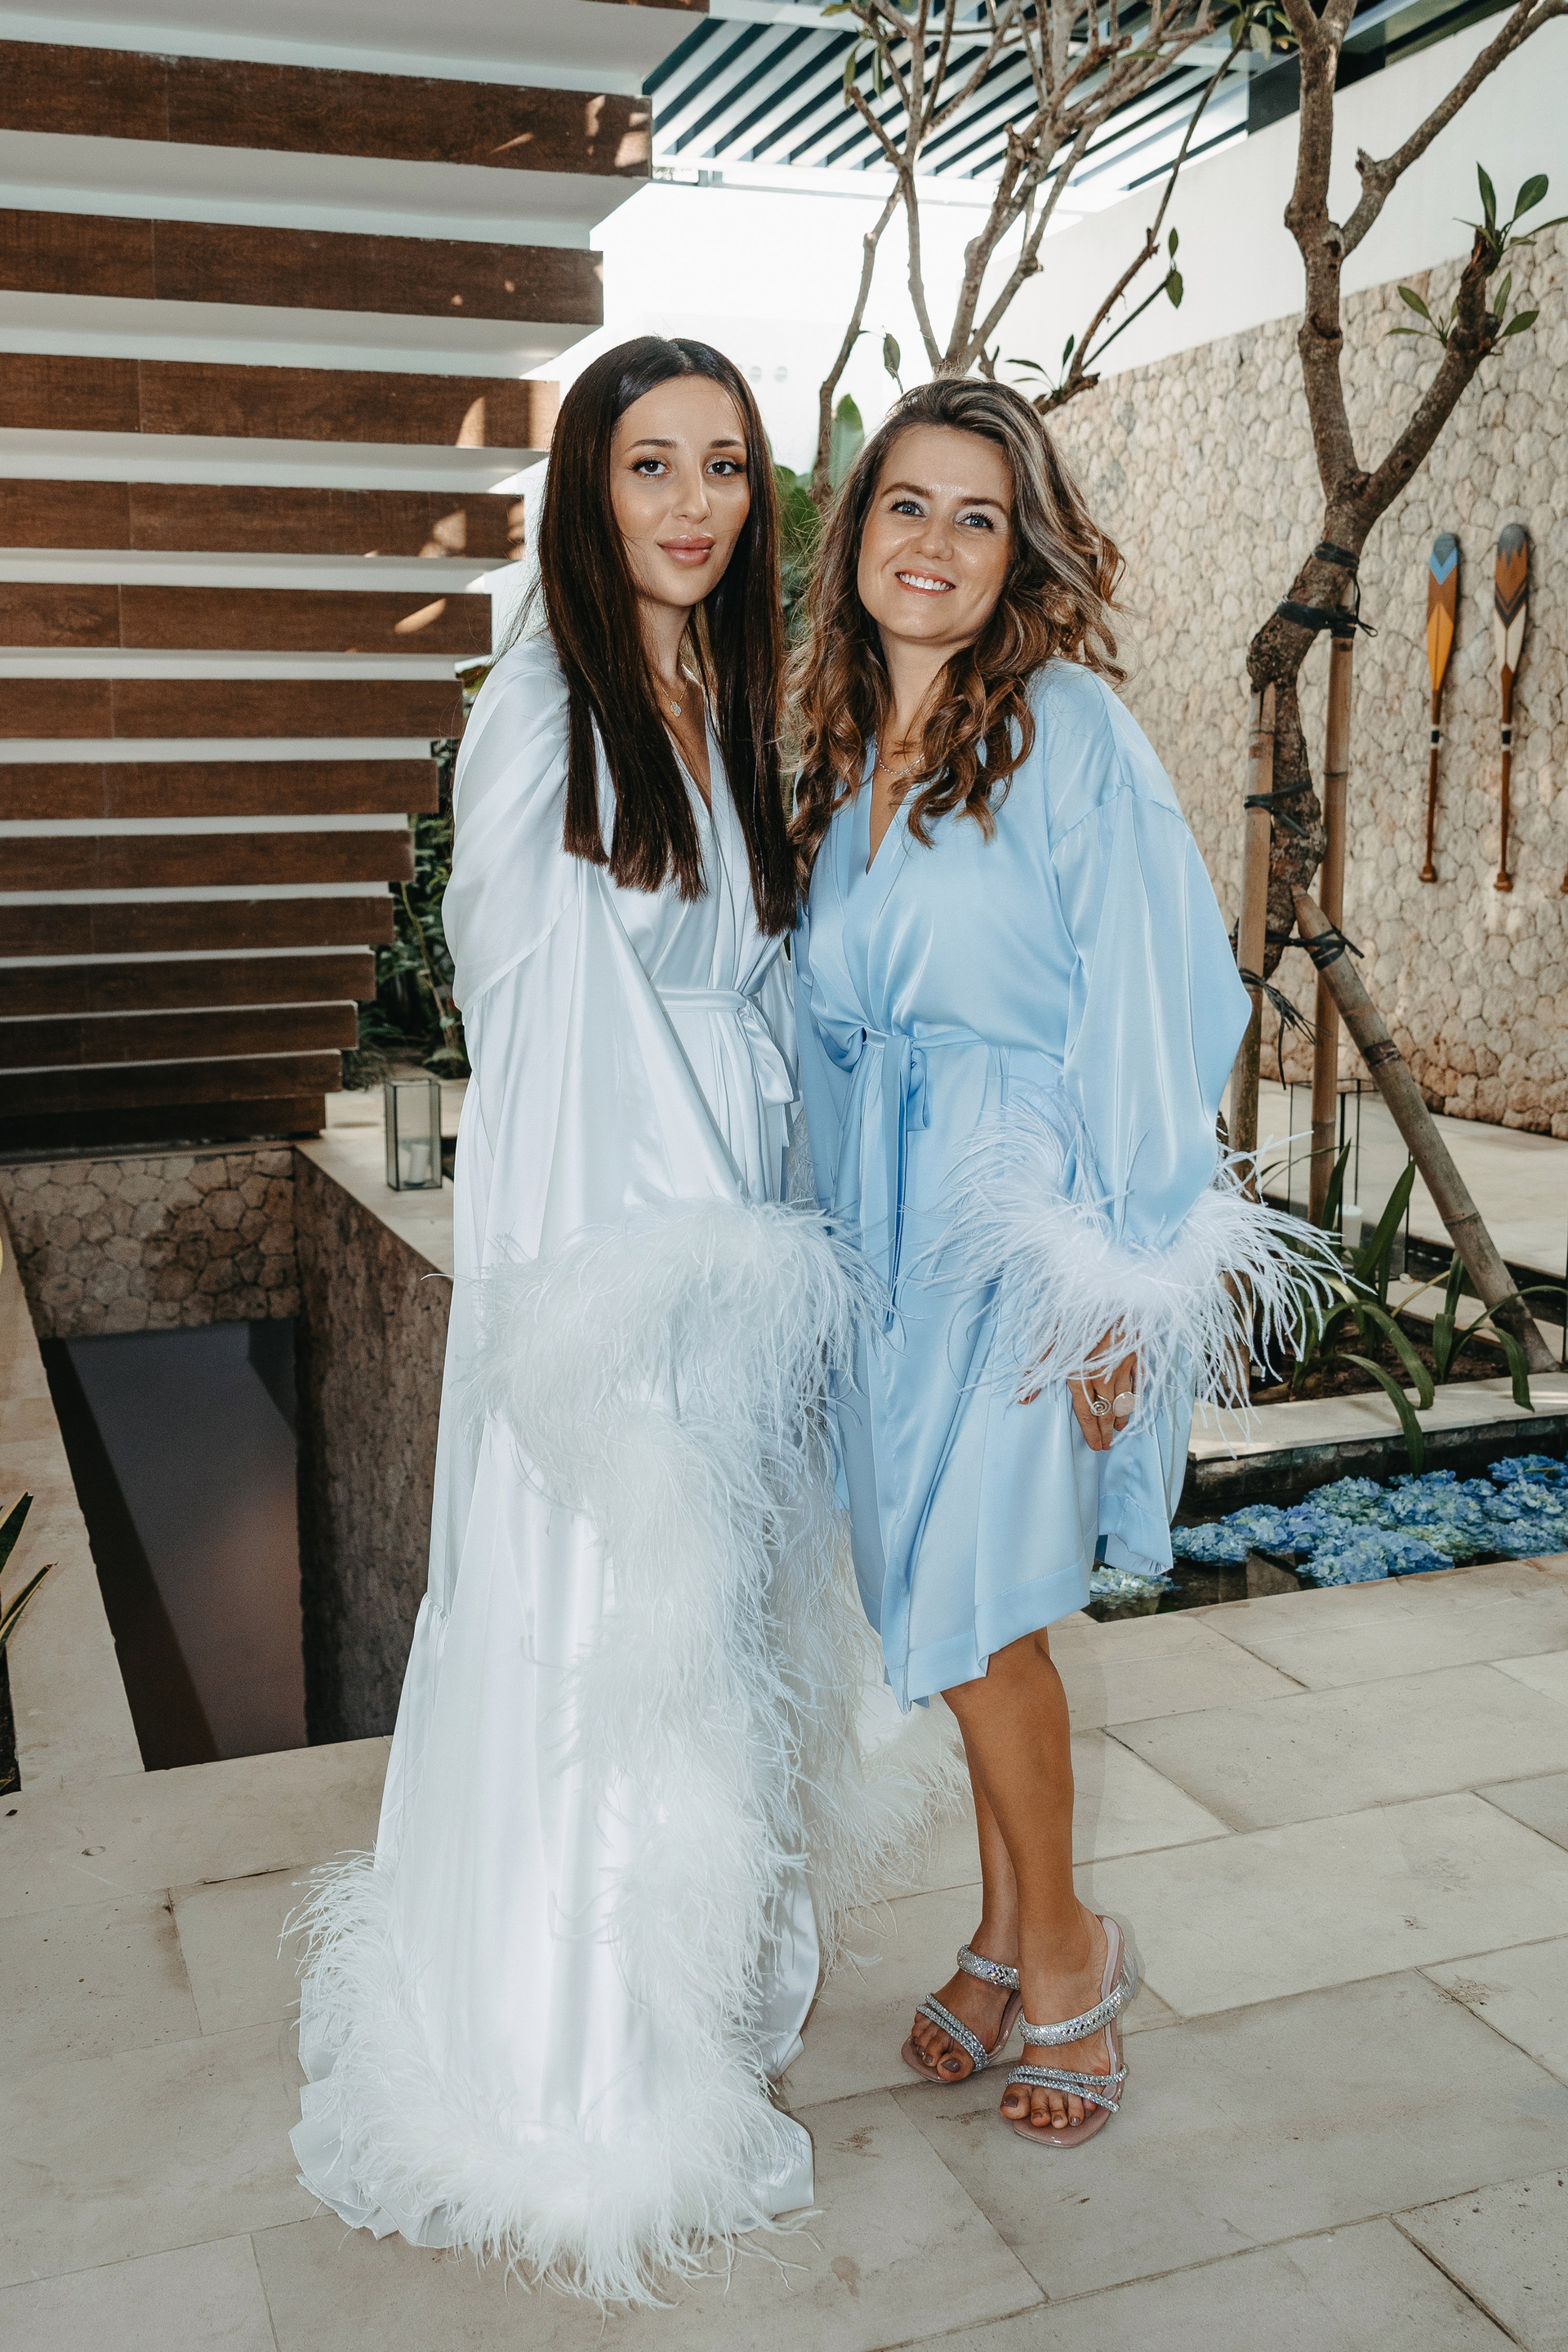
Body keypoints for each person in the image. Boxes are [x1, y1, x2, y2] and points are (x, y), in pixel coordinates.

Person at [288, 337, 956, 2301]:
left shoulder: (719, 701)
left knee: (716, 1647)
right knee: (602, 1638)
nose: (694, 503)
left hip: (729, 1257)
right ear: (585, 489)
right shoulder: (543, 711)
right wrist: (634, 1316)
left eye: (727, 466)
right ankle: (581, 2082)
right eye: (651, 464)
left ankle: (689, 2013)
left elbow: (755, 997)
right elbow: (545, 1028)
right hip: (619, 1272)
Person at [790, 378, 1324, 2149]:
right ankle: (1007, 1935)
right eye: (907, 506)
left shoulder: (1068, 728)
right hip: (887, 1238)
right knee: (945, 1608)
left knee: (980, 1609)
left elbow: (1160, 996)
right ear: (856, 532)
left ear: (1020, 552)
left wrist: (1118, 1283)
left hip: (1026, 1219)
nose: (935, 544)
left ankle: (1070, 1950)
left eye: (979, 516)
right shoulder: (840, 749)